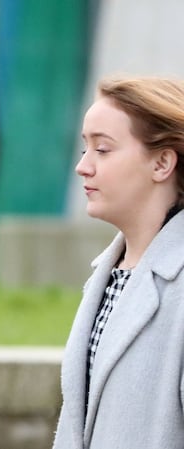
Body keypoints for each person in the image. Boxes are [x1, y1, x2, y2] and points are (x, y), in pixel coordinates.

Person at [53, 76, 184, 448]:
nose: (83, 166)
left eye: (103, 150)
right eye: (85, 148)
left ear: (162, 163)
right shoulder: (108, 274)